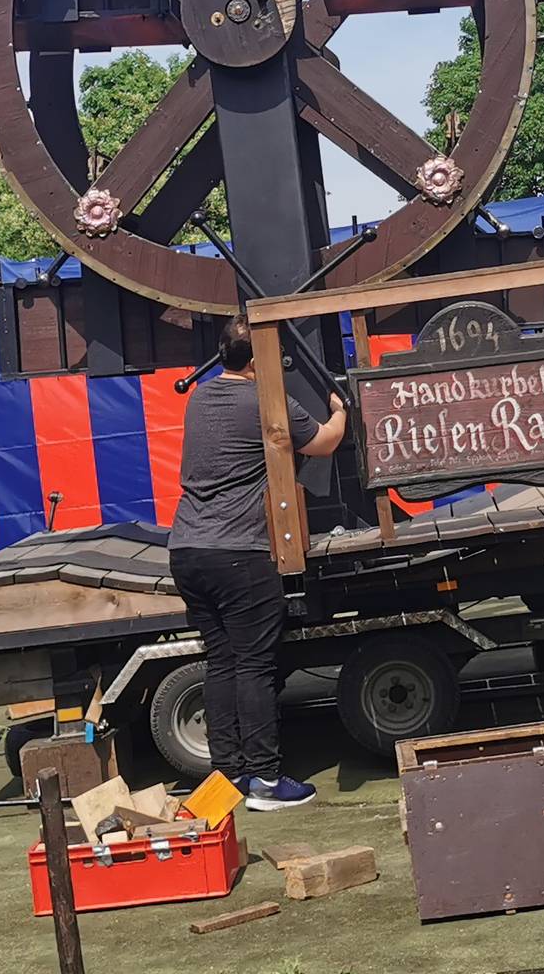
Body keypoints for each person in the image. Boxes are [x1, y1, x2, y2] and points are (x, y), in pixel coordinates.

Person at [168, 326, 348, 810]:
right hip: (239, 554)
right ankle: (266, 782)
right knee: (254, 667)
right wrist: (340, 409)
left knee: (221, 663)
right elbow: (325, 443)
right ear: (262, 362)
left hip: (186, 550)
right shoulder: (267, 403)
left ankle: (226, 779)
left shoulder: (199, 401)